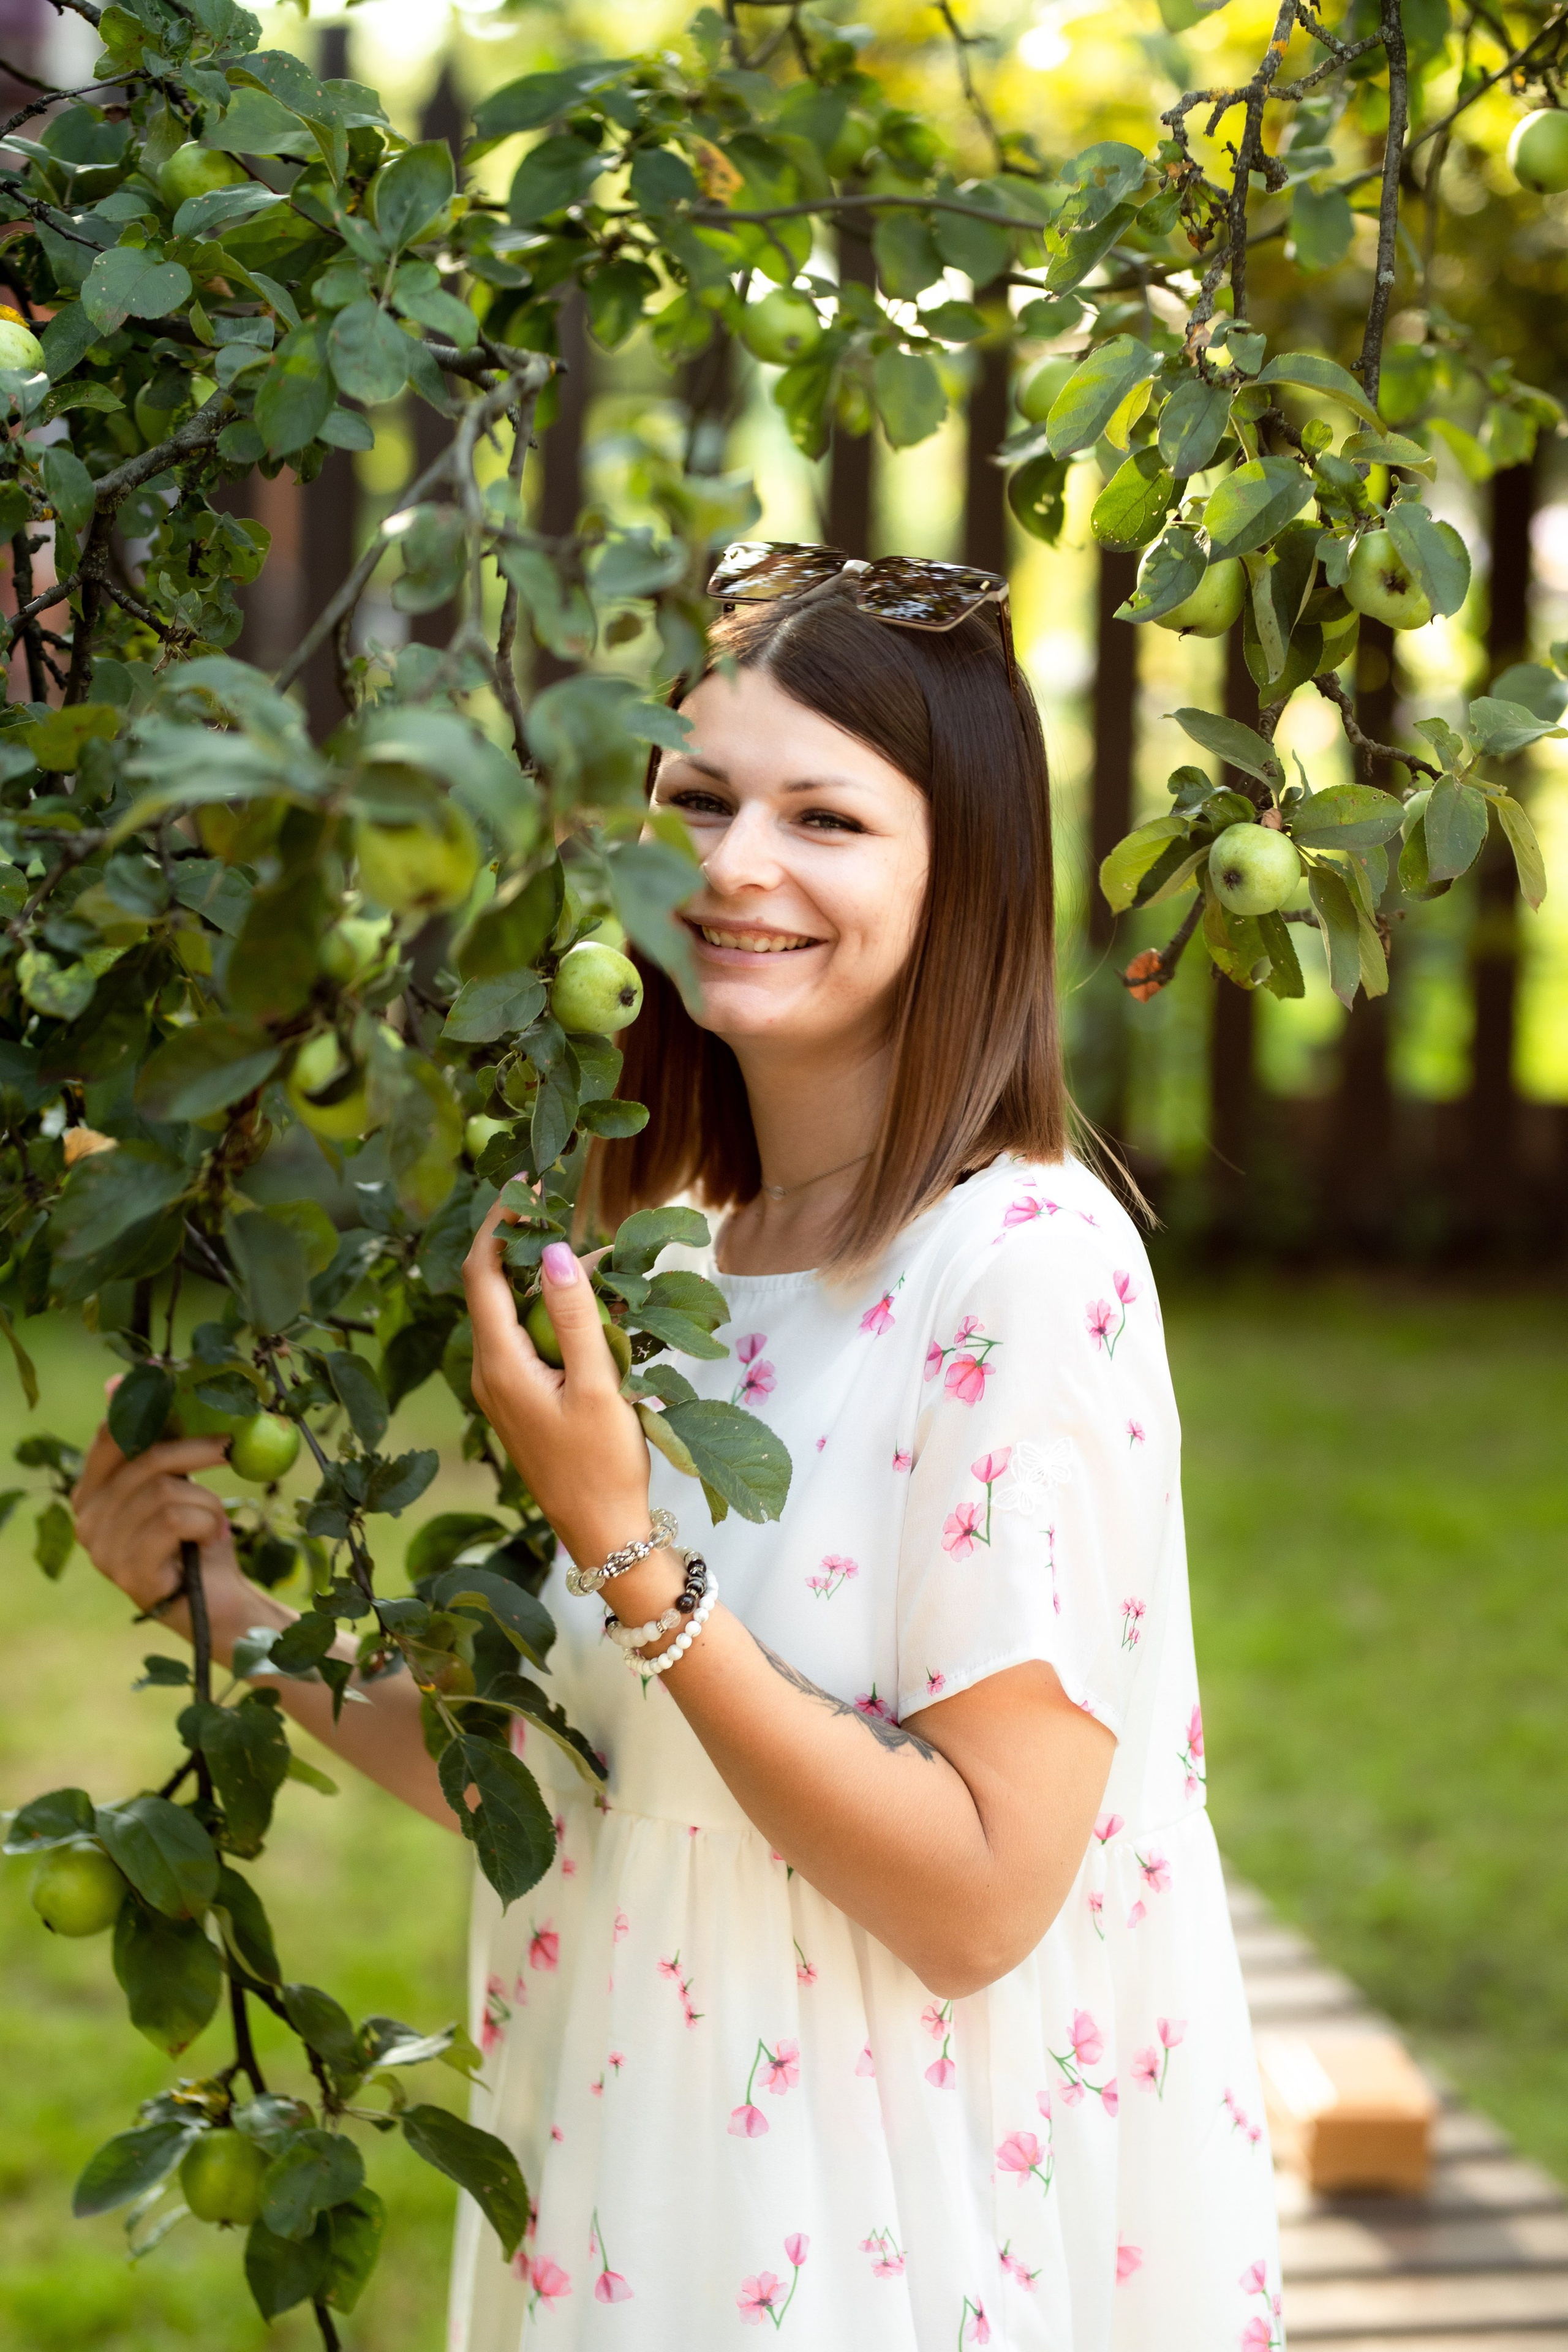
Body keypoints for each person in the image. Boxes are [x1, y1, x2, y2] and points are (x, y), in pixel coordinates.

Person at [74, 547, 1283, 2351]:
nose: (734, 866)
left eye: (827, 818)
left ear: (965, 871)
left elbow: (976, 1898)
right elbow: (603, 1784)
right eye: (697, 800)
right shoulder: (685, 1263)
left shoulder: (1023, 1271)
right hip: (638, 2182)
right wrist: (230, 1614)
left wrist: (633, 1559)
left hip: (883, 2228)